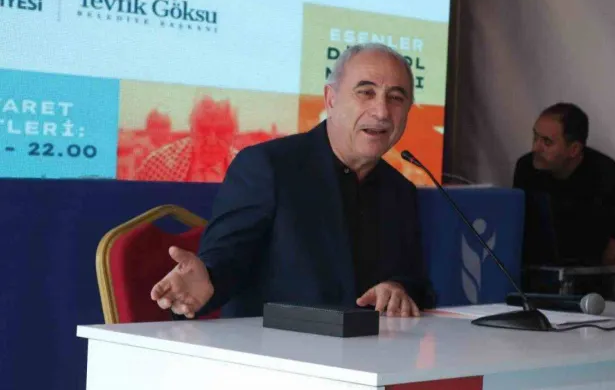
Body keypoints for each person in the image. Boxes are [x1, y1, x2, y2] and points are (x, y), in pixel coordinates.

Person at [150, 43, 435, 319]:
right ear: (331, 99)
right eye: (366, 93)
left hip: (369, 348)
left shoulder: (401, 191)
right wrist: (207, 278)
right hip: (275, 346)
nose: (381, 112)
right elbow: (227, 258)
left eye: (396, 98)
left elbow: (416, 283)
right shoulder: (268, 167)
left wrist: (398, 289)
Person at [513, 102, 615, 300]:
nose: (535, 148)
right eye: (535, 137)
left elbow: (598, 240)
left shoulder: (604, 172)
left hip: (593, 286)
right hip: (539, 277)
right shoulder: (527, 167)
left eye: (547, 142)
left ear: (574, 149)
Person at [136, 97, 239, 182]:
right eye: (203, 129)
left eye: (222, 131)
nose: (211, 141)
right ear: (191, 128)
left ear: (235, 132)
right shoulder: (156, 166)